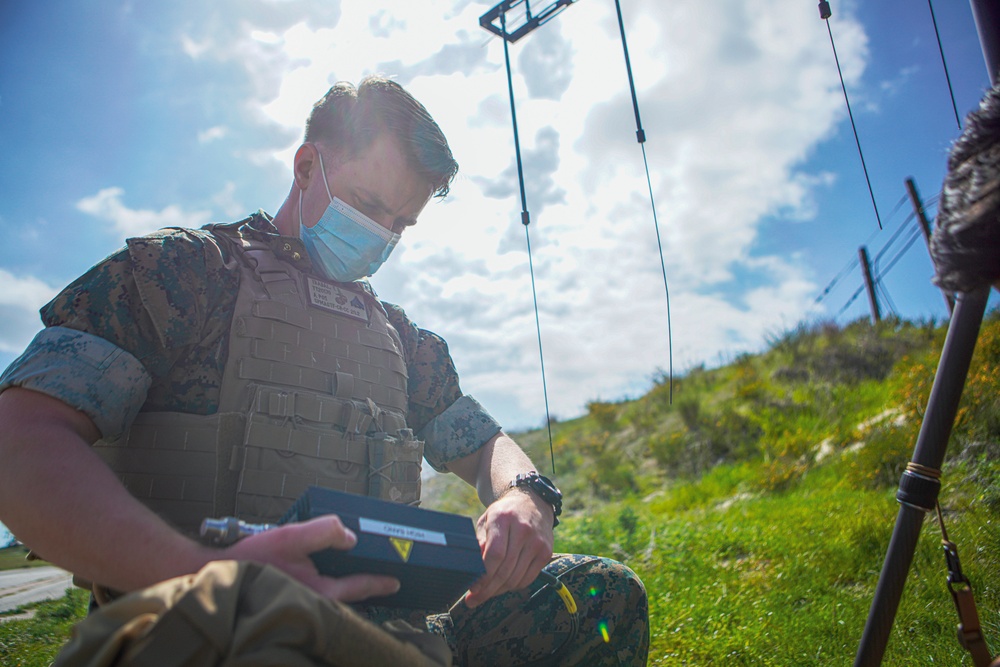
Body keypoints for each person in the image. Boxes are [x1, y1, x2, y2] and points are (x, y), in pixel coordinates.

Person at [0, 75, 648, 665]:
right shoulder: (183, 274)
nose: (381, 235)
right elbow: (20, 439)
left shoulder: (401, 337)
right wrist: (203, 572)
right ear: (307, 165)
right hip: (218, 628)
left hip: (390, 634)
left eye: (400, 223)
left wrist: (525, 494)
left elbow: (485, 448)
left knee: (599, 595)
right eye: (368, 204)